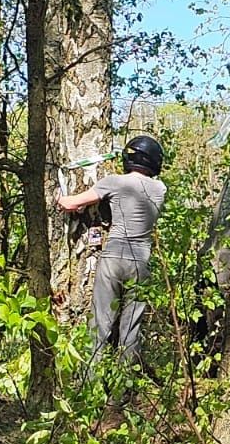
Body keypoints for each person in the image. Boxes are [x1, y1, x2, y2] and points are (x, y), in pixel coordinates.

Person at [57, 135, 167, 366]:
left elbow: (71, 204)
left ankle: (92, 382)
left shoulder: (115, 182)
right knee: (132, 329)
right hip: (141, 261)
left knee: (100, 323)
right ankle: (122, 391)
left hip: (114, 257)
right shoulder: (160, 188)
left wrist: (57, 194)